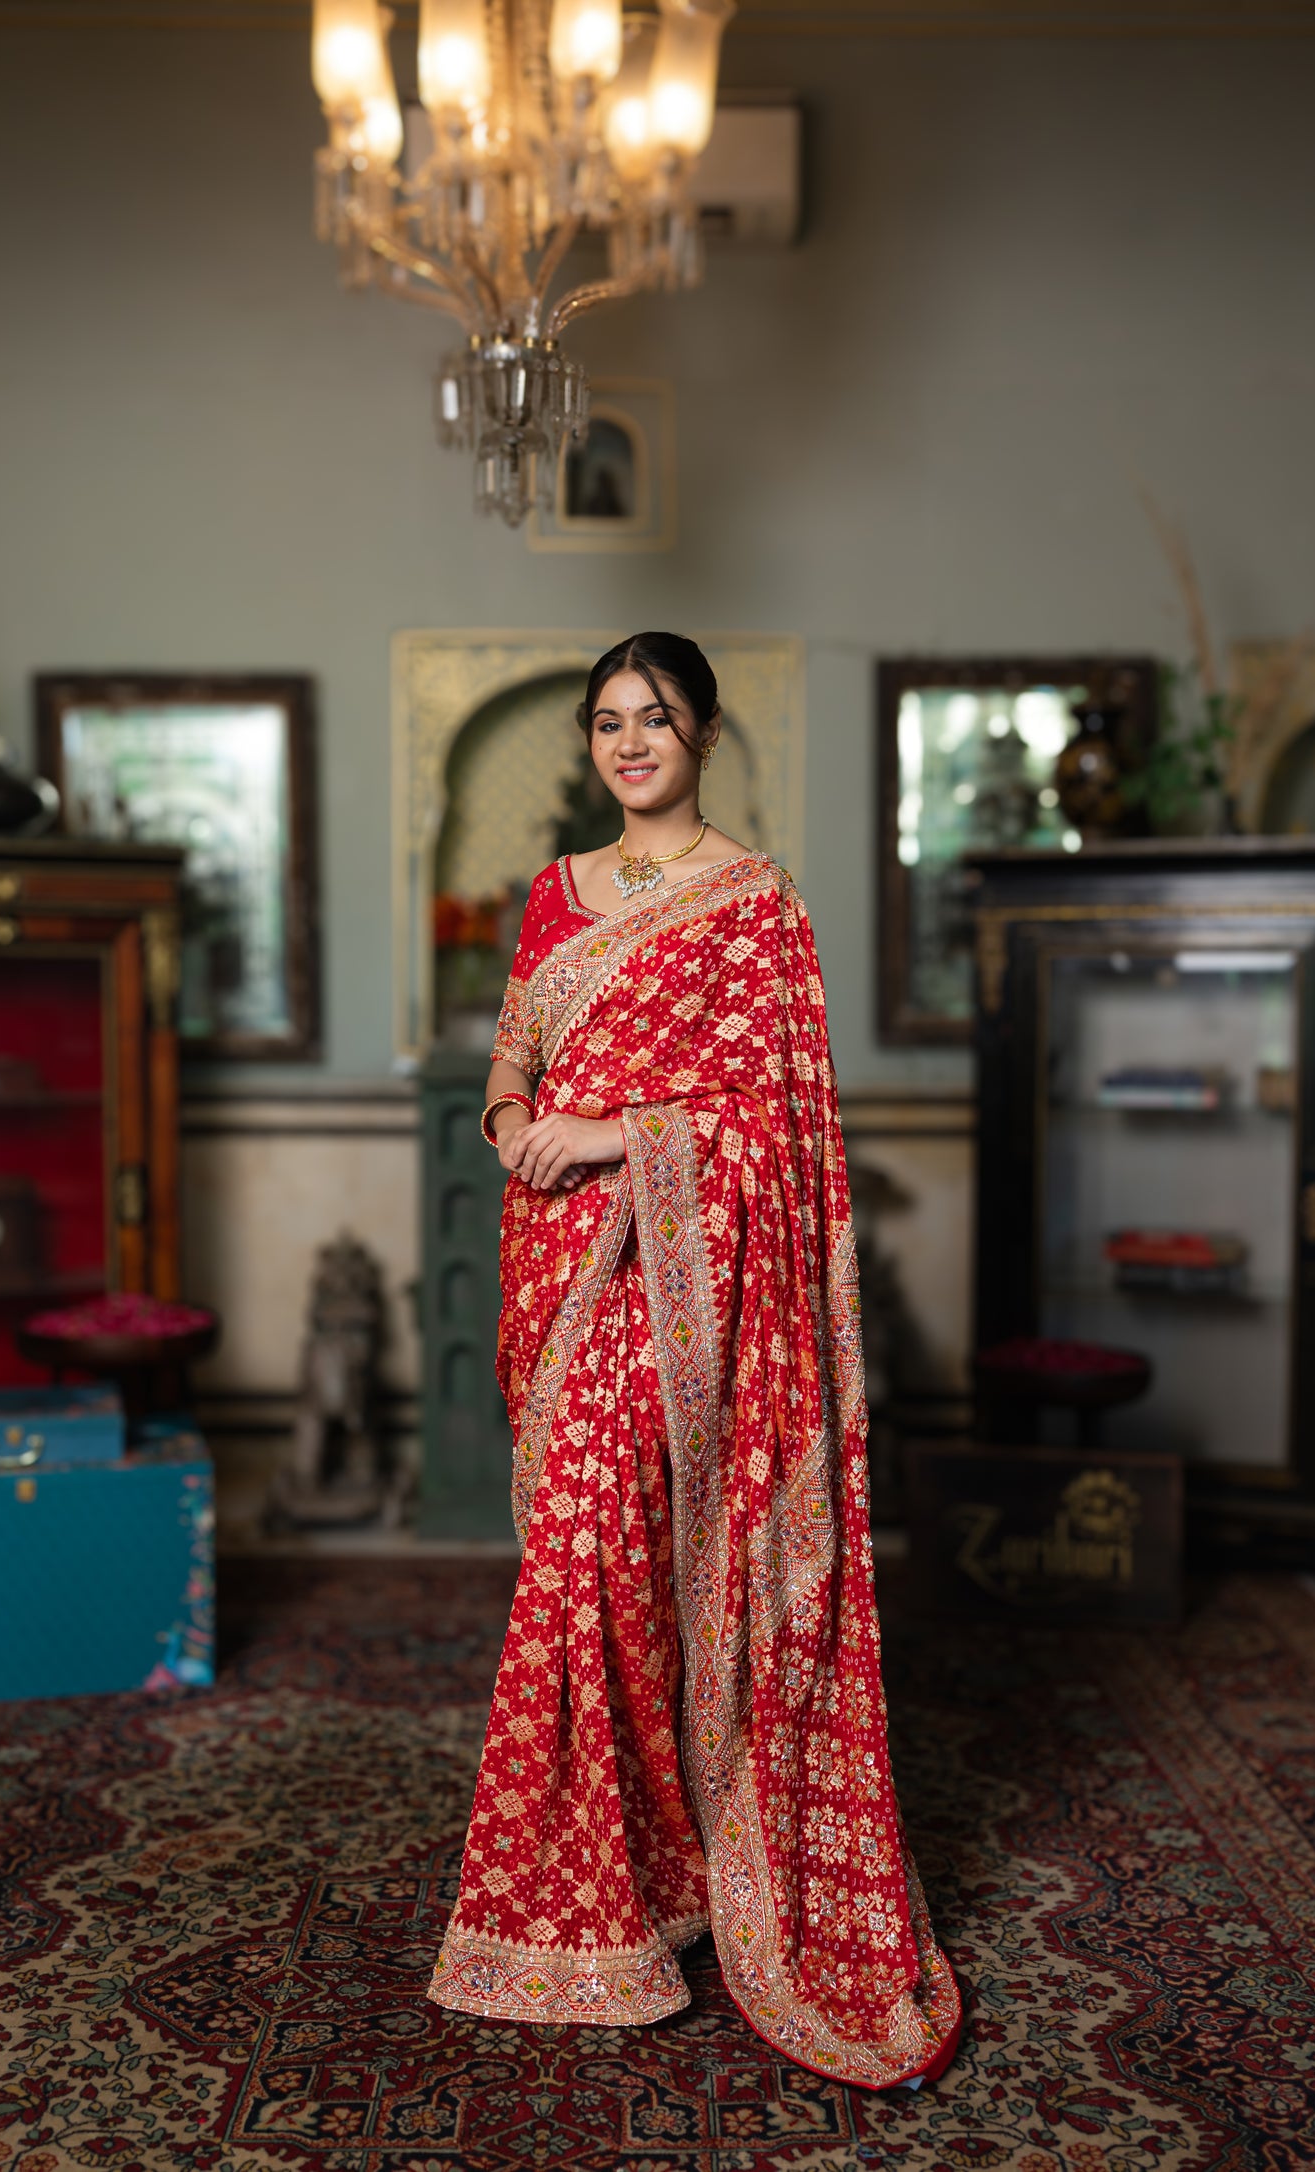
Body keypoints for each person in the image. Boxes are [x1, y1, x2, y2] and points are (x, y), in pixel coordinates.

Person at [427, 632, 961, 2088]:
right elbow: (513, 1051)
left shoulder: (754, 901)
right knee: (586, 1559)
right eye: (607, 721)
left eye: (654, 718)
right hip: (558, 1257)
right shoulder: (556, 891)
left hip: (684, 1277)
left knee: (616, 1549)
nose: (628, 743)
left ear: (705, 734)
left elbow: (777, 1123)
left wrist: (613, 1134)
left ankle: (618, 1889)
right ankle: (634, 1884)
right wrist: (511, 1124)